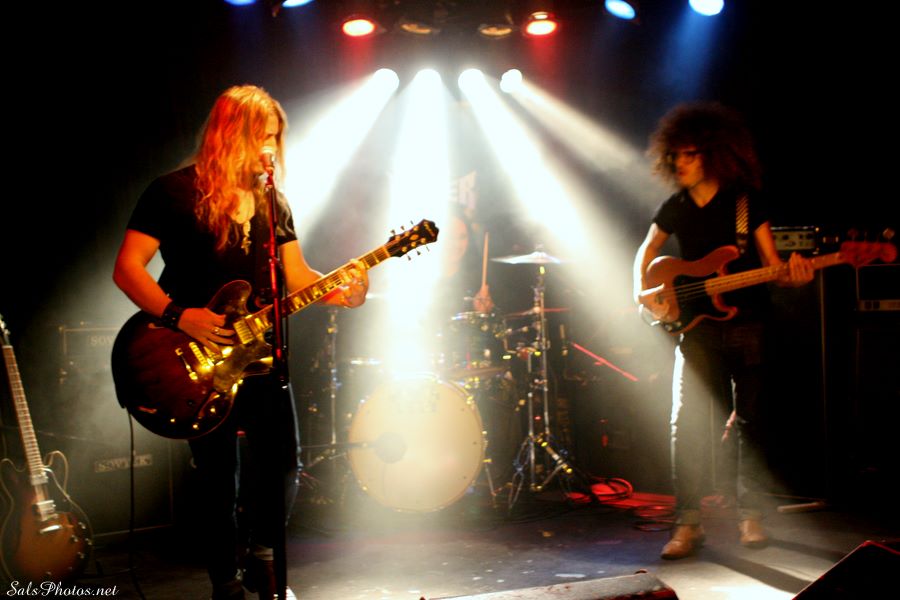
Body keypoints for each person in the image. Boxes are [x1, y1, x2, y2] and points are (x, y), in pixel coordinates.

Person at [112, 85, 368, 598]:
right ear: (230, 135)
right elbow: (127, 269)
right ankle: (224, 582)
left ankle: (264, 557)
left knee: (285, 464)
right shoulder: (172, 192)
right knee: (218, 477)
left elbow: (297, 276)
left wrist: (343, 292)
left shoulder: (273, 202)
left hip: (259, 358)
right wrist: (180, 316)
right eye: (261, 137)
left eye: (275, 138)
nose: (270, 148)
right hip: (194, 357)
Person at [632, 102, 813, 560]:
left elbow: (773, 267)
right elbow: (647, 249)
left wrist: (795, 276)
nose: (680, 162)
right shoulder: (675, 206)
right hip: (696, 328)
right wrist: (642, 291)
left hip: (749, 323)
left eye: (690, 154)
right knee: (687, 424)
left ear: (713, 153)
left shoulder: (745, 203)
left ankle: (751, 515)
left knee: (751, 423)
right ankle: (688, 523)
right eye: (676, 155)